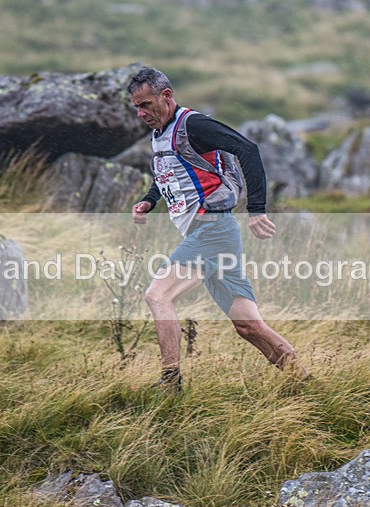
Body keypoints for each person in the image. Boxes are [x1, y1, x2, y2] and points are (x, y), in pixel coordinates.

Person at [127, 67, 309, 391]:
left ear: (166, 96)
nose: (141, 113)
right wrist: (149, 200)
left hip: (212, 229)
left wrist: (256, 211)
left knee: (157, 295)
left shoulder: (194, 125)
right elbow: (168, 174)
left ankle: (170, 383)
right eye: (136, 107)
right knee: (249, 326)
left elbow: (248, 149)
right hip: (214, 234)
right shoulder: (159, 134)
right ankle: (308, 384)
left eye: (145, 104)